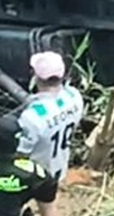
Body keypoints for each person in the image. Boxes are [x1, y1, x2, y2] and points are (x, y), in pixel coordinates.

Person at [12, 51, 85, 184]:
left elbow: (20, 153)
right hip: (60, 170)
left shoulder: (32, 117)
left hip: (35, 178)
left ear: (35, 76)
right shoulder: (75, 96)